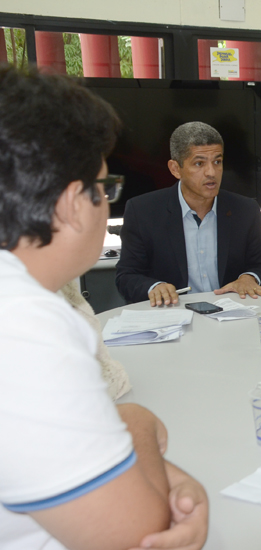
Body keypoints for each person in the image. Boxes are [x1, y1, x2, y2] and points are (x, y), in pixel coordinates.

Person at [0, 66, 207, 550]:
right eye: (104, 187)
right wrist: (132, 422)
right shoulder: (25, 326)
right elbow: (142, 537)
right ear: (75, 203)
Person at [115, 121, 261, 306]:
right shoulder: (142, 211)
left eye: (217, 162)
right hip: (173, 315)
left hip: (231, 314)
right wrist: (155, 287)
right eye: (199, 163)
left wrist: (249, 278)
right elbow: (126, 276)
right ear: (175, 169)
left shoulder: (245, 209)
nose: (211, 172)